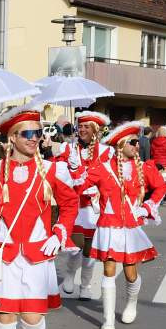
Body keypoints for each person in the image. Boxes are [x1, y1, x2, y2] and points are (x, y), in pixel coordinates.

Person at [0, 104, 79, 329]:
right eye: (28, 133)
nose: (35, 138)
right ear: (11, 137)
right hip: (6, 255)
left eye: (38, 132)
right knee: (5, 316)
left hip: (38, 255)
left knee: (33, 318)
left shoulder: (51, 169)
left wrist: (60, 232)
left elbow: (70, 204)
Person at [82, 122, 166, 329]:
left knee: (130, 274)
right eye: (133, 142)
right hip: (109, 225)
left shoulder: (145, 167)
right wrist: (77, 171)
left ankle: (131, 303)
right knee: (109, 269)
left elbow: (161, 187)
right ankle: (108, 318)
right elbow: (80, 186)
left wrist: (147, 207)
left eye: (137, 142)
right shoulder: (102, 168)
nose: (137, 146)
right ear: (120, 145)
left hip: (130, 226)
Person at [54, 111, 112, 300]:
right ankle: (70, 274)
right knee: (76, 246)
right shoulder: (68, 149)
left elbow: (108, 177)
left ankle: (85, 285)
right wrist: (67, 167)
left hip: (94, 208)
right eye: (81, 126)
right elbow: (57, 174)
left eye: (87, 126)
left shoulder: (105, 152)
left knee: (89, 250)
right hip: (75, 205)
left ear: (95, 130)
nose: (82, 129)